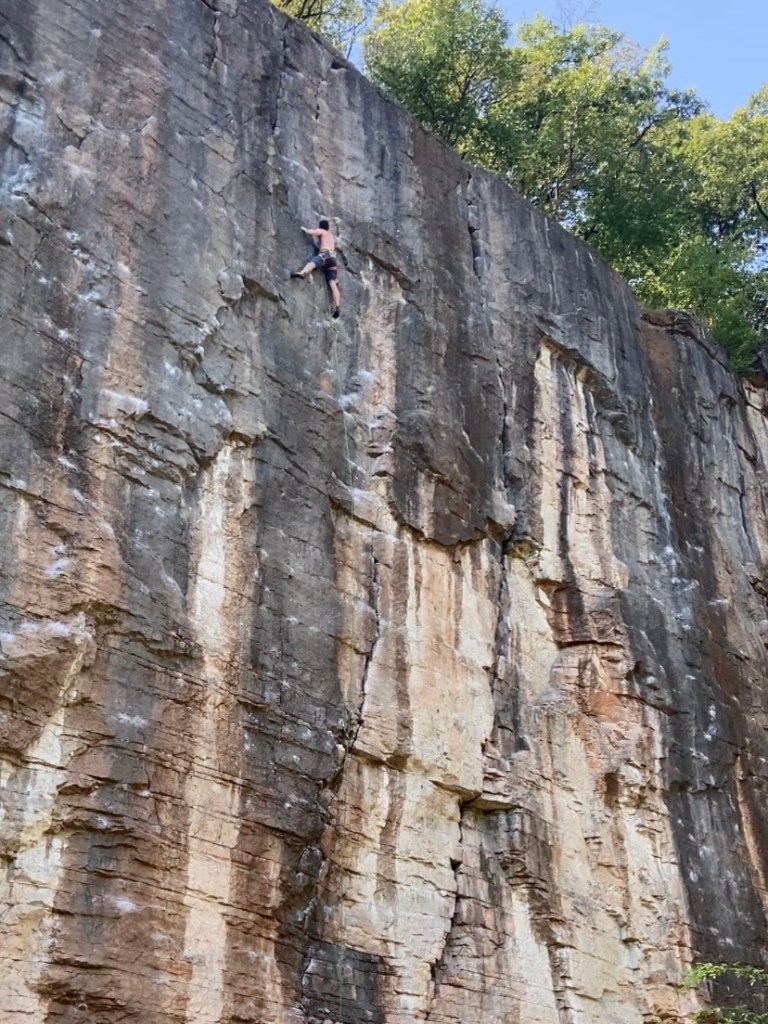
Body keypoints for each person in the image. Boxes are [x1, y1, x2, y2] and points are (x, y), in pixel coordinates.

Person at [290, 219, 341, 318]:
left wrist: (305, 229)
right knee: (333, 285)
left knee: (313, 262)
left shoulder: (323, 231)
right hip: (333, 260)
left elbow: (313, 232)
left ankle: (303, 273)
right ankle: (337, 306)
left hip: (325, 255)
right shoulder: (331, 236)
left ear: (321, 227)